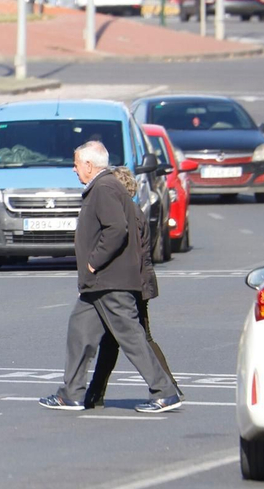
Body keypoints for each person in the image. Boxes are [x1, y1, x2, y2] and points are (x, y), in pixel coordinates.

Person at [39, 141, 182, 414]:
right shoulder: (106, 187)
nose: (74, 169)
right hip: (99, 284)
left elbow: (116, 229)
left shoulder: (103, 188)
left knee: (131, 337)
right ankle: (71, 394)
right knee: (79, 332)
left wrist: (94, 262)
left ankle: (164, 391)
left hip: (109, 280)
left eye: (77, 164)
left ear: (89, 165)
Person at [82, 167, 180, 409]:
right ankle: (95, 394)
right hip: (134, 282)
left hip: (130, 284)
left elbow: (131, 253)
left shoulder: (128, 213)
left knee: (137, 338)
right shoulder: (133, 211)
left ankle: (168, 388)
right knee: (113, 340)